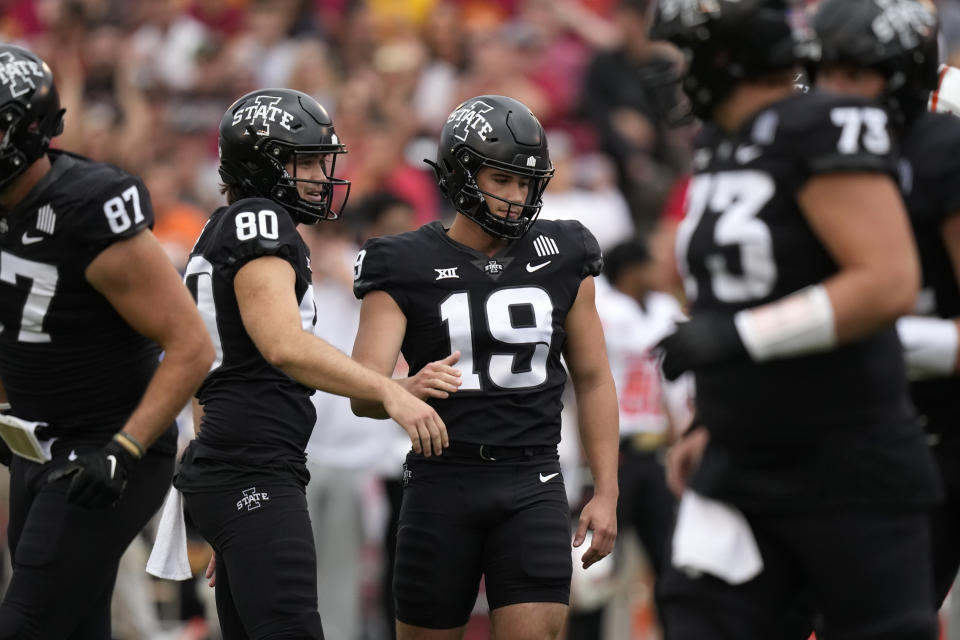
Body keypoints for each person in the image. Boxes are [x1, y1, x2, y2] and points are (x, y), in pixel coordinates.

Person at [650, 1, 942, 639]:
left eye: (683, 54)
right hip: (741, 455)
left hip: (847, 457)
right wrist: (707, 415)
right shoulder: (722, 144)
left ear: (724, 57)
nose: (673, 72)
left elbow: (887, 280)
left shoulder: (823, 124)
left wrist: (741, 338)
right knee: (697, 619)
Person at [175, 88, 448, 640]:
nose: (320, 176)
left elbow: (209, 375)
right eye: (303, 162)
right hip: (253, 469)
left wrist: (226, 510)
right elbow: (284, 345)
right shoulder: (261, 221)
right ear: (263, 166)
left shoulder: (220, 226)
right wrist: (389, 390)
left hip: (233, 468)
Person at [350, 94, 620, 640]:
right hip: (440, 478)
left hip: (534, 478)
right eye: (503, 180)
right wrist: (404, 388)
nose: (518, 196)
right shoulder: (402, 261)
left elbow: (593, 378)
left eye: (526, 182)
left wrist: (607, 491)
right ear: (459, 173)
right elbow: (362, 391)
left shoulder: (565, 251)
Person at [0, 44, 214, 638]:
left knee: (28, 622)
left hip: (108, 447)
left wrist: (124, 446)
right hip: (35, 443)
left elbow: (192, 344)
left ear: (30, 127)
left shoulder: (85, 208)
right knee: (75, 621)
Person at [812, 0, 960, 608]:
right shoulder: (814, 147)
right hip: (854, 424)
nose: (832, 94)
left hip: (937, 425)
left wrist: (850, 331)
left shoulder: (938, 148)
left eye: (853, 75)